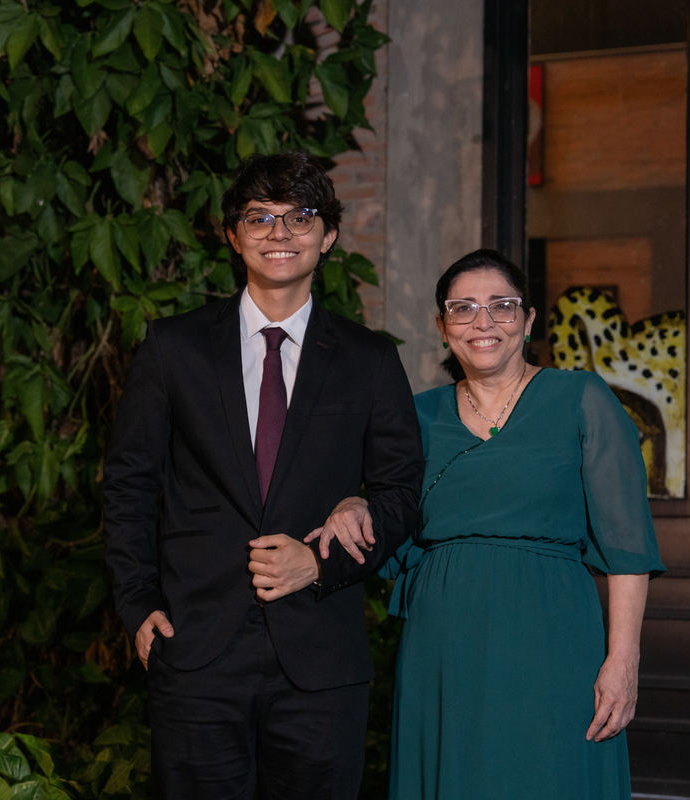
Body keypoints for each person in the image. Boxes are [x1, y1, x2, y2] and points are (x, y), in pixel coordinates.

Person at [102, 151, 424, 799]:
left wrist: (322, 562)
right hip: (194, 653)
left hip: (321, 660)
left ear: (328, 236)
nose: (280, 233)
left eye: (300, 217)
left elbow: (403, 494)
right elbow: (128, 485)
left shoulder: (369, 360)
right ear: (233, 236)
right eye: (259, 217)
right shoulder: (173, 348)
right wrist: (137, 605)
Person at [309, 248, 665, 798]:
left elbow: (626, 547)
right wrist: (353, 504)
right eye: (463, 308)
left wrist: (623, 661)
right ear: (442, 326)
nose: (483, 322)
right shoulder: (416, 414)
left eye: (501, 305)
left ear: (528, 319)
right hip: (443, 646)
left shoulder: (580, 398)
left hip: (553, 639)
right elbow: (389, 507)